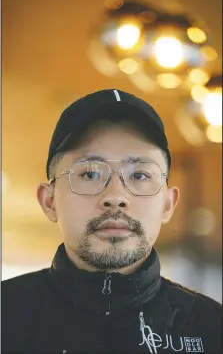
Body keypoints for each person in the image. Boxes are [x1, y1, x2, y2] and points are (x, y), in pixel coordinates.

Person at [2, 89, 222, 354]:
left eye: (140, 175)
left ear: (168, 204)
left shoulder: (211, 328)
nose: (116, 197)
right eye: (90, 173)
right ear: (50, 201)